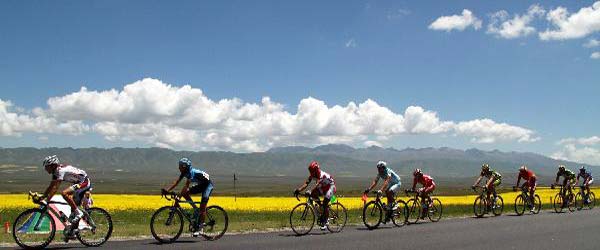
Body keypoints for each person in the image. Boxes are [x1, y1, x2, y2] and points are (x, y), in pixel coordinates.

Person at [163, 158, 213, 237]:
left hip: (208, 185)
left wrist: (179, 196)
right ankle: (196, 209)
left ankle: (201, 228)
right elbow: (176, 182)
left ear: (185, 166)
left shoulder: (191, 172)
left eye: (180, 166)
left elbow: (186, 186)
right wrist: (167, 190)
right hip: (201, 184)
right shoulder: (184, 172)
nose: (178, 168)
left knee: (203, 207)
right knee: (185, 193)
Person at [40, 155, 91, 224]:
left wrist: (47, 200)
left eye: (47, 167)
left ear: (53, 165)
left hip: (84, 182)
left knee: (64, 193)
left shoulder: (60, 171)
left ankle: (79, 213)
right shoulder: (55, 172)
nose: (45, 169)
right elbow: (50, 186)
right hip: (77, 182)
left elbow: (55, 188)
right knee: (72, 205)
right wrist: (43, 196)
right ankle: (73, 228)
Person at [294, 161, 336, 230]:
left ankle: (326, 221)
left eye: (312, 171)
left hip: (331, 187)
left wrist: (310, 191)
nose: (311, 173)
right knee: (313, 195)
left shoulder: (321, 175)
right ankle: (322, 209)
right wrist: (299, 190)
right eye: (310, 171)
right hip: (323, 187)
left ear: (316, 170)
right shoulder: (313, 175)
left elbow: (317, 185)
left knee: (325, 203)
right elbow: (306, 183)